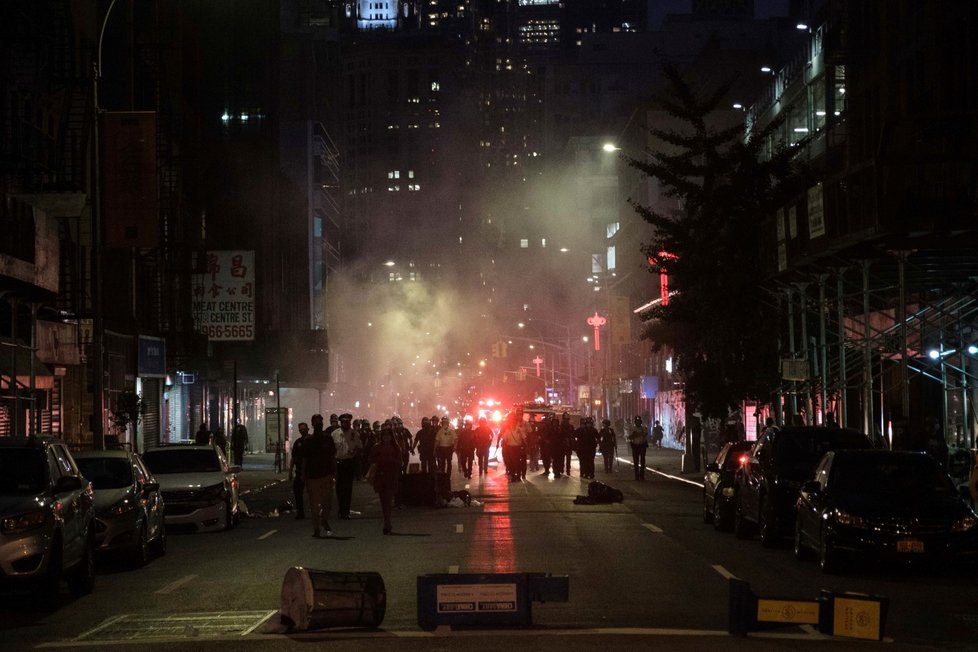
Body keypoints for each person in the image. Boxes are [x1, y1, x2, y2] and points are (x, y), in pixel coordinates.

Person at [304, 414, 337, 537]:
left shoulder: (327, 439)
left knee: (327, 502)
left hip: (326, 474)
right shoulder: (308, 441)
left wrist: (335, 471)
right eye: (316, 422)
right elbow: (305, 460)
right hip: (313, 476)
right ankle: (316, 528)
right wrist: (303, 475)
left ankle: (324, 519)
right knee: (314, 504)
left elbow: (332, 456)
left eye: (320, 422)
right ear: (312, 424)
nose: (319, 424)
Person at [369, 421, 402, 534]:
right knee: (383, 501)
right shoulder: (377, 447)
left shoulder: (396, 447)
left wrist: (391, 461)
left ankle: (387, 522)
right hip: (380, 476)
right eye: (384, 436)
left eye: (388, 435)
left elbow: (399, 462)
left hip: (391, 476)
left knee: (388, 500)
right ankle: (386, 520)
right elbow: (371, 460)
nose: (386, 437)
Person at [332, 413, 362, 519]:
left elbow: (359, 447)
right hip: (338, 463)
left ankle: (346, 510)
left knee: (348, 488)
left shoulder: (354, 433)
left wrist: (355, 452)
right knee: (339, 488)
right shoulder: (335, 434)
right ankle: (341, 509)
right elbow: (331, 451)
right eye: (344, 421)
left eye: (348, 421)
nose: (347, 423)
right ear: (341, 422)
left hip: (349, 462)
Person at [289, 422, 311, 519]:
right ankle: (300, 512)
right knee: (297, 491)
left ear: (308, 429)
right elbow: (293, 458)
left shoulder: (312, 440)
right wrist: (290, 471)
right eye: (300, 429)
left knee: (314, 493)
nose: (302, 430)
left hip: (311, 471)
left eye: (304, 428)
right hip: (299, 470)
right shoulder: (298, 442)